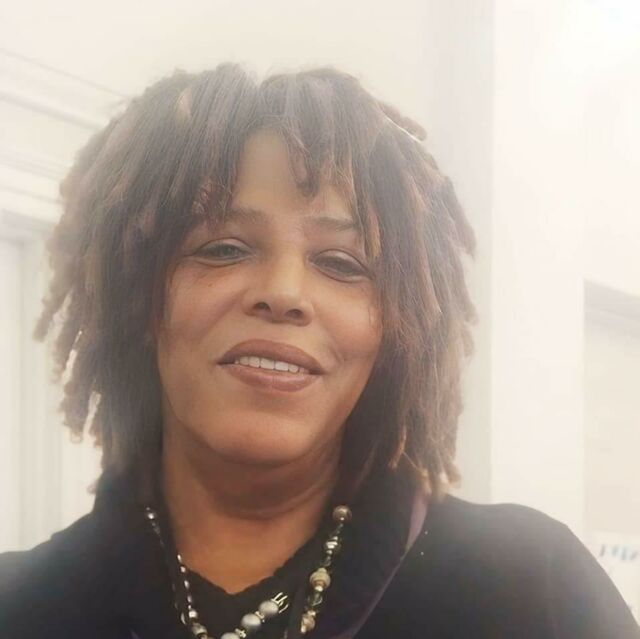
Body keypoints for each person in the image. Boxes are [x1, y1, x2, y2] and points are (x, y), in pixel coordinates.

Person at [0, 63, 637, 639]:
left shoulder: (531, 592)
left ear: (396, 328)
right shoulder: (20, 607)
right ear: (138, 297)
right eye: (223, 248)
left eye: (341, 263)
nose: (284, 293)